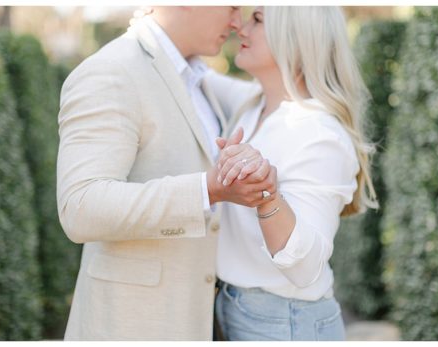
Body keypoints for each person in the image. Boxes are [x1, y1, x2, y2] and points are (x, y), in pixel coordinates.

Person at [56, 6, 279, 340]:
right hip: (132, 326)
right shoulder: (111, 71)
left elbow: (277, 94)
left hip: (198, 319)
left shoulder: (195, 75)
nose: (237, 23)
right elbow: (81, 207)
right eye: (232, 7)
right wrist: (208, 189)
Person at [206, 6, 378, 341]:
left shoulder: (318, 132)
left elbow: (304, 267)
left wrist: (266, 192)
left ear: (296, 37)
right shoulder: (253, 105)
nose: (241, 29)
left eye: (257, 20)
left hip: (285, 322)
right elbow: (193, 72)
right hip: (237, 309)